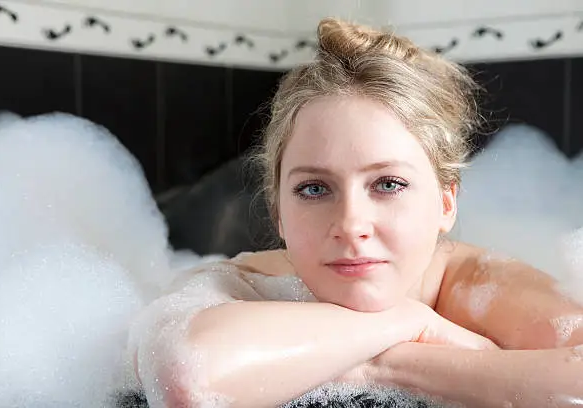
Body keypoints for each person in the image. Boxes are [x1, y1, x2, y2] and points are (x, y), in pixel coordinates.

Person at [128, 17, 583, 408]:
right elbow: (182, 377)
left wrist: (385, 362)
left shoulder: (475, 284)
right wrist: (406, 324)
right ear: (278, 212)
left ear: (446, 203)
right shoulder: (243, 282)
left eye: (388, 184)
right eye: (313, 188)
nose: (350, 225)